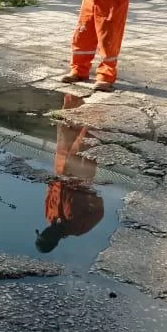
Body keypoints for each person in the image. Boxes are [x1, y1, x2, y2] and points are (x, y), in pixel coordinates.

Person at [35, 94, 104, 254]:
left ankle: (73, 98)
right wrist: (93, 196)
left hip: (60, 169)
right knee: (86, 135)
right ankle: (98, 103)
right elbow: (98, 213)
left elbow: (50, 193)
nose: (46, 231)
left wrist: (51, 181)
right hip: (81, 173)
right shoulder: (78, 228)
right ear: (54, 240)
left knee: (65, 128)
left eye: (42, 233)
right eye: (46, 235)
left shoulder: (48, 215)